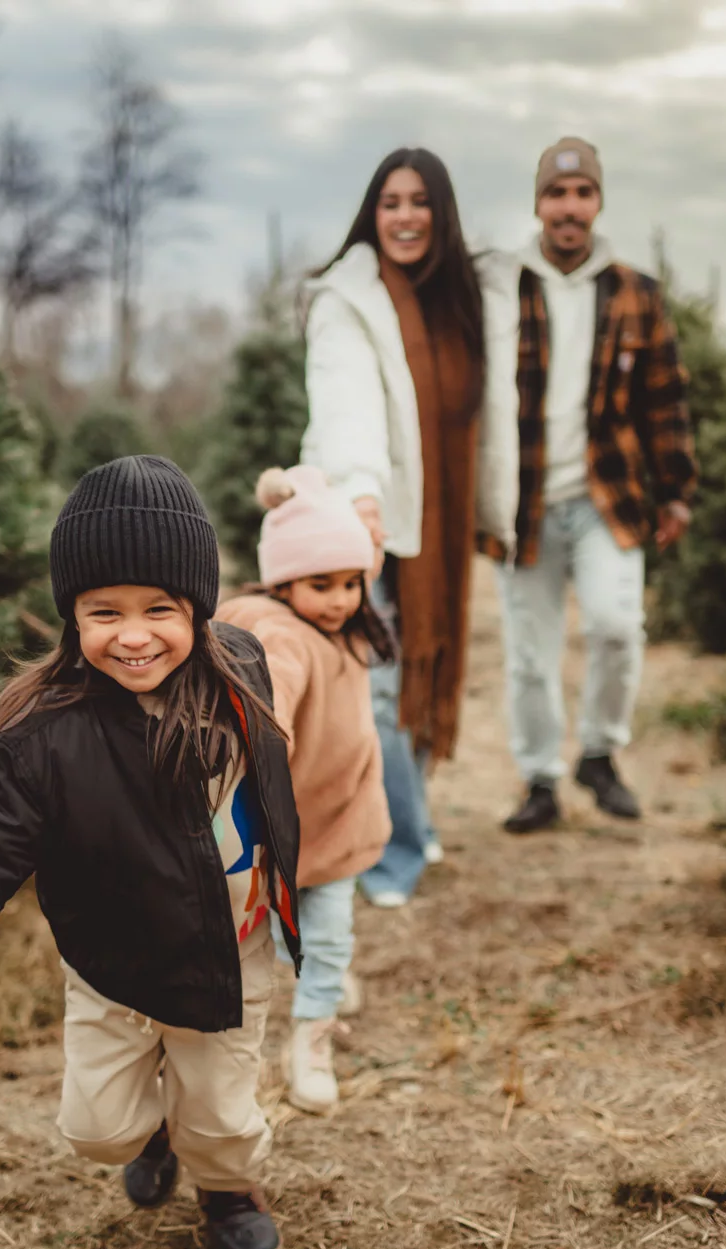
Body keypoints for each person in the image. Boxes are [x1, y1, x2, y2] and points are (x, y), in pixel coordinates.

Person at [0, 456, 302, 1249]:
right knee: (98, 1132)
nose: (135, 633)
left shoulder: (239, 668)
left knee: (222, 1120)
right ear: (71, 616)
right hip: (113, 965)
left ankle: (227, 1190)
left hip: (229, 952)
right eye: (104, 612)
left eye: (161, 609)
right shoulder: (44, 742)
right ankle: (154, 1129)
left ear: (200, 609)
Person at [478, 137, 698, 832]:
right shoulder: (503, 288)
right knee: (531, 656)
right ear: (538, 203)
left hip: (610, 499)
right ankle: (540, 779)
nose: (568, 208)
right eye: (556, 194)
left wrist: (678, 491)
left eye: (581, 194)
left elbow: (664, 401)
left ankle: (599, 754)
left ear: (597, 201)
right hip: (527, 504)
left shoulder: (636, 293)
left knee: (615, 627)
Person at [300, 146, 496, 908]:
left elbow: (486, 416)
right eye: (391, 201)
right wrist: (361, 492)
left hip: (436, 525)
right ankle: (391, 853)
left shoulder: (461, 300)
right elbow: (345, 402)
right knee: (379, 689)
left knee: (420, 670)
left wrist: (495, 509)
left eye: (419, 201)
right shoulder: (345, 297)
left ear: (440, 214)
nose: (405, 216)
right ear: (371, 212)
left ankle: (410, 816)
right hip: (364, 516)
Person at [218, 464, 394, 1113]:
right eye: (323, 584)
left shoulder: (342, 628)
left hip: (341, 815)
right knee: (284, 935)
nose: (342, 598)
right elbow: (271, 712)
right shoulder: (286, 635)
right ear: (283, 577)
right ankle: (308, 983)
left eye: (353, 583)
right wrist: (267, 755)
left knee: (330, 935)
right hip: (287, 829)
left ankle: (312, 1035)